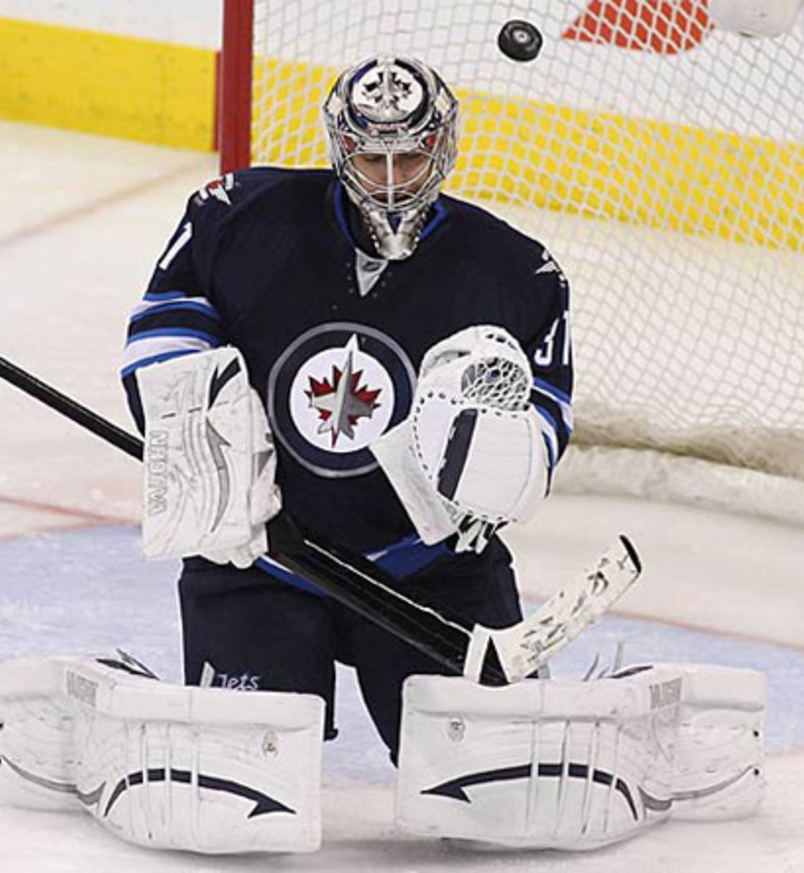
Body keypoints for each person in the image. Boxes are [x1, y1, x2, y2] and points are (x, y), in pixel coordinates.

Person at [120, 55, 574, 763]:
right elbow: (163, 330)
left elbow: (546, 410)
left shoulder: (516, 272)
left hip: (428, 574)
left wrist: (495, 472)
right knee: (237, 782)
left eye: (411, 157)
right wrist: (211, 458)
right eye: (370, 157)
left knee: (496, 786)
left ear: (443, 146)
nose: (391, 181)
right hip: (262, 562)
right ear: (341, 146)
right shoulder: (237, 216)